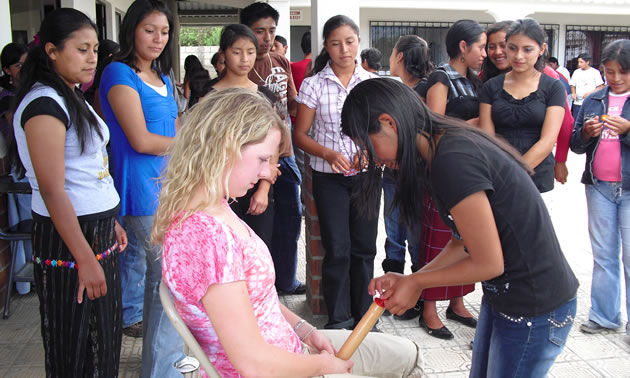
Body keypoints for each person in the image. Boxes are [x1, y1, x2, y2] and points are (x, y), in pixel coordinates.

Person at [156, 87, 423, 378]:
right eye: (262, 159)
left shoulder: (215, 206)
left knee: (408, 355)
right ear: (224, 147)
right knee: (408, 365)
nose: (267, 173)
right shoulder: (204, 236)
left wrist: (305, 331)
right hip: (278, 368)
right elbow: (252, 363)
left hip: (292, 352)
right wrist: (322, 365)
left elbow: (256, 299)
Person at [341, 77, 579, 377]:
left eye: (367, 144)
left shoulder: (452, 159)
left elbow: (489, 263)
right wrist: (412, 279)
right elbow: (460, 241)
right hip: (507, 300)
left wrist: (416, 284)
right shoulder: (439, 149)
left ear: (388, 123)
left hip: (534, 306)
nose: (372, 157)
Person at [12, 8, 128, 376]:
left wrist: (112, 223)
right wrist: (85, 257)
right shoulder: (44, 104)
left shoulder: (71, 94)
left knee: (104, 342)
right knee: (76, 347)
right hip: (71, 239)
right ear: (51, 50)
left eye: (95, 48)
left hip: (97, 233)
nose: (93, 57)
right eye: (82, 49)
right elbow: (52, 189)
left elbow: (89, 171)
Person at [99, 0, 198, 376]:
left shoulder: (161, 74)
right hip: (139, 190)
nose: (158, 38)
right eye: (149, 30)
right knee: (169, 277)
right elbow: (141, 140)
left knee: (160, 278)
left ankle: (162, 363)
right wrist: (196, 144)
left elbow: (172, 131)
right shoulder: (117, 73)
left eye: (165, 31)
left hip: (168, 187)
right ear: (132, 31)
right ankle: (162, 369)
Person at [293, 15, 378, 330]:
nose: (344, 49)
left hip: (367, 176)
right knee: (338, 248)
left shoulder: (371, 83)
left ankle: (365, 316)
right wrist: (329, 154)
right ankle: (339, 317)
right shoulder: (314, 83)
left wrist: (370, 151)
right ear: (326, 47)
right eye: (335, 43)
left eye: (350, 41)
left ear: (358, 43)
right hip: (328, 178)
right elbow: (299, 135)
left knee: (365, 247)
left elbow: (382, 128)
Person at [417, 19, 482, 339]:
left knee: (467, 240)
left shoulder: (474, 80)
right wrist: (473, 123)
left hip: (469, 169)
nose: (486, 53)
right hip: (443, 168)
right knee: (439, 241)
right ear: (462, 47)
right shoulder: (441, 78)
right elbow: (434, 126)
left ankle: (457, 302)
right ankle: (429, 309)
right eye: (481, 46)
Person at [241, 1, 304, 296]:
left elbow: (291, 104)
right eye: (259, 31)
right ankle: (257, 286)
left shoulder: (281, 62)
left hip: (286, 153)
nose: (266, 38)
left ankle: (286, 280)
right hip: (256, 158)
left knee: (291, 218)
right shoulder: (243, 67)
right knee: (256, 222)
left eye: (271, 31)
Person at [570, 39, 630, 346]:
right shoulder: (594, 99)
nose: (616, 78)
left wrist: (627, 131)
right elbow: (575, 145)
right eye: (610, 72)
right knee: (604, 254)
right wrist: (585, 133)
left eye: (623, 72)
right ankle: (605, 316)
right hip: (599, 188)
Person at [480, 20, 574, 186]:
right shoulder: (490, 86)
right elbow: (488, 137)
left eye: (527, 49)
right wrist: (502, 172)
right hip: (497, 173)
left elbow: (548, 140)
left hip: (536, 175)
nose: (518, 56)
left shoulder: (553, 87)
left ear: (542, 49)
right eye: (512, 48)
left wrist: (516, 173)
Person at [382, 35, 433, 320]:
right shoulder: (401, 89)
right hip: (393, 173)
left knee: (411, 235)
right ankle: (394, 291)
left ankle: (413, 294)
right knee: (395, 234)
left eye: (392, 53)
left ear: (399, 56)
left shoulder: (422, 90)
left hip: (413, 176)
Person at [570, 52, 605, 119]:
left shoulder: (595, 72)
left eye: (581, 62)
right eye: (578, 62)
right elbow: (573, 85)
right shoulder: (576, 72)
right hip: (578, 103)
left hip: (590, 103)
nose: (579, 64)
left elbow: (600, 86)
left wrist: (590, 93)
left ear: (587, 62)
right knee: (577, 121)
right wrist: (573, 93)